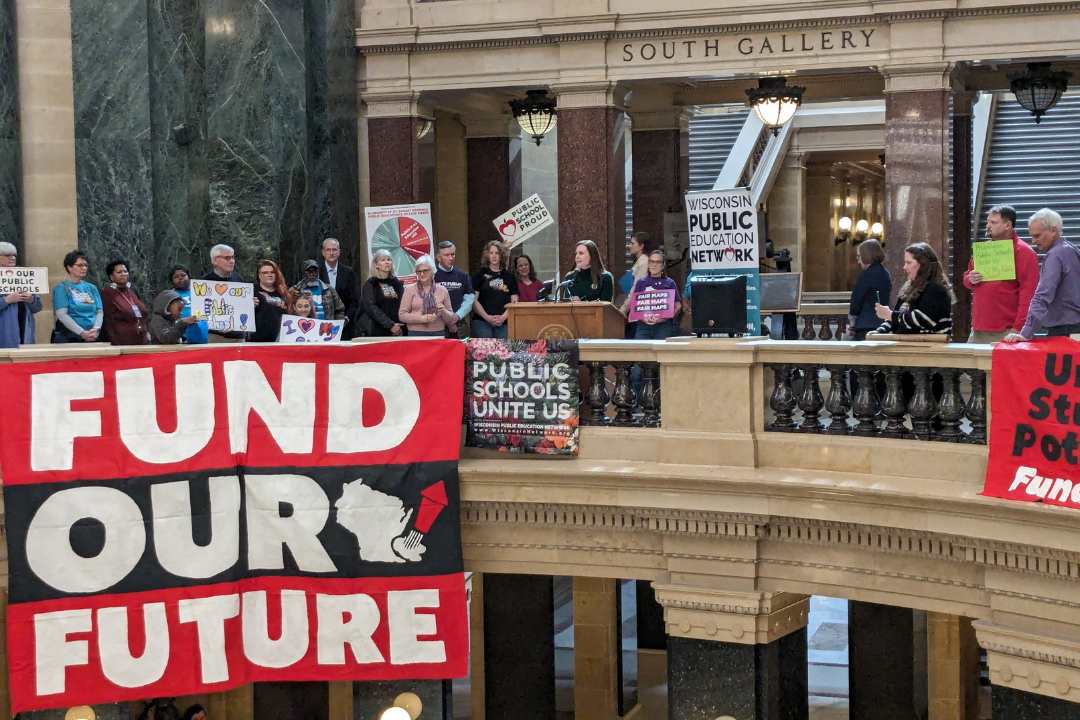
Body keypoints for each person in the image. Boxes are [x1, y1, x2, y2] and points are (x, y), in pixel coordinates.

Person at [963, 204, 1039, 343]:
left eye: (993, 222)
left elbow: (1028, 293)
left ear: (1007, 225)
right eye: (988, 221)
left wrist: (1019, 327)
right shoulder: (985, 250)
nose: (988, 225)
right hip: (978, 328)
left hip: (1007, 330)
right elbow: (967, 276)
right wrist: (970, 279)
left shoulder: (1024, 252)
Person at [1003, 208, 1080, 342]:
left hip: (1064, 330)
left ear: (1053, 231)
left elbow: (1043, 294)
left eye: (1037, 236)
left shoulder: (1055, 255)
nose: (1033, 241)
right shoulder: (1071, 250)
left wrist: (1026, 332)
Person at [870, 242, 953, 336]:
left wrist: (890, 314)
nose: (904, 267)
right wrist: (881, 331)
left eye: (909, 262)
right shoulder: (909, 288)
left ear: (923, 265)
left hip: (929, 344)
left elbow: (924, 319)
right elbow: (897, 316)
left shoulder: (936, 288)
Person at [51, 250, 103, 343]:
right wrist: (82, 333)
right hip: (70, 337)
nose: (84, 268)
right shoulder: (61, 288)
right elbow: (62, 314)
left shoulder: (91, 288)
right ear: (69, 267)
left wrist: (96, 329)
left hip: (92, 334)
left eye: (85, 265)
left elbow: (99, 311)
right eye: (80, 265)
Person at [844, 239, 892, 341]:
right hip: (882, 323)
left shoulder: (865, 274)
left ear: (867, 255)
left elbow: (857, 300)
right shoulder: (885, 273)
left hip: (865, 324)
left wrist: (851, 325)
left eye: (859, 256)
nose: (858, 260)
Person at [399, 255, 457, 337]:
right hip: (415, 333)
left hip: (437, 332)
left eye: (425, 271)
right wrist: (422, 318)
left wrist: (444, 311)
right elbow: (402, 315)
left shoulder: (442, 290)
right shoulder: (410, 290)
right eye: (419, 271)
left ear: (433, 271)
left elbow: (450, 318)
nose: (422, 274)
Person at [471, 240, 518, 338]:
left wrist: (503, 317)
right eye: (491, 253)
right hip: (482, 321)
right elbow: (474, 300)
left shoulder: (510, 276)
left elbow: (514, 301)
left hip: (504, 321)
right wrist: (487, 317)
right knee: (486, 346)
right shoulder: (479, 275)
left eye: (497, 253)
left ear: (502, 255)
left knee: (503, 346)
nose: (494, 256)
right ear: (487, 255)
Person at [631, 250, 682, 340]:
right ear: (648, 264)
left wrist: (664, 318)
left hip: (664, 326)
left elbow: (677, 306)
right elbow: (634, 305)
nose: (654, 265)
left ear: (663, 265)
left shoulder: (670, 283)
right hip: (643, 327)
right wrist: (644, 318)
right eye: (652, 261)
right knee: (641, 349)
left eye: (658, 262)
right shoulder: (640, 282)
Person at [0, 241, 42, 347]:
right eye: (8, 255)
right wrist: (7, 300)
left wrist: (31, 299)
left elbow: (38, 307)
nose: (12, 258)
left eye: (14, 255)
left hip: (25, 333)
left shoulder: (23, 276)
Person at [100, 259, 150, 346]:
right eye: (119, 272)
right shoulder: (108, 293)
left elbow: (142, 315)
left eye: (125, 271)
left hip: (141, 340)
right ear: (112, 277)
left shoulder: (132, 291)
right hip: (122, 342)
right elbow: (107, 323)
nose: (123, 274)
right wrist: (115, 344)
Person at [319, 238, 361, 339]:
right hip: (320, 325)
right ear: (323, 252)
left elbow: (354, 300)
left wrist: (346, 319)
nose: (331, 253)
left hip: (345, 326)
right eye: (328, 250)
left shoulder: (348, 272)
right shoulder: (316, 273)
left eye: (334, 250)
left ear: (339, 252)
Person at [433, 241, 475, 338]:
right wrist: (447, 319)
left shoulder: (463, 275)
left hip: (459, 322)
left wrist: (456, 316)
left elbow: (469, 299)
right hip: (438, 322)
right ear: (438, 257)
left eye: (452, 254)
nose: (451, 258)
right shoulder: (432, 276)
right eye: (446, 255)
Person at [361, 249, 405, 337]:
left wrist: (399, 325)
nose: (387, 262)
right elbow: (371, 307)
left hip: (398, 328)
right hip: (377, 329)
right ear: (376, 265)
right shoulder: (371, 284)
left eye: (389, 260)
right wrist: (390, 325)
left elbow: (403, 303)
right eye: (383, 260)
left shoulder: (396, 283)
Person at [250, 259, 292, 342]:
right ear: (259, 275)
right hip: (257, 341)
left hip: (281, 339)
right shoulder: (251, 291)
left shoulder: (283, 293)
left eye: (272, 272)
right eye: (265, 273)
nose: (270, 275)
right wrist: (248, 305)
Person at [166, 265, 208, 344]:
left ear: (188, 277)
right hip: (181, 336)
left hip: (201, 333)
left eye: (183, 275)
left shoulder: (200, 293)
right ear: (171, 281)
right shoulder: (169, 296)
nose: (180, 278)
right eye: (176, 277)